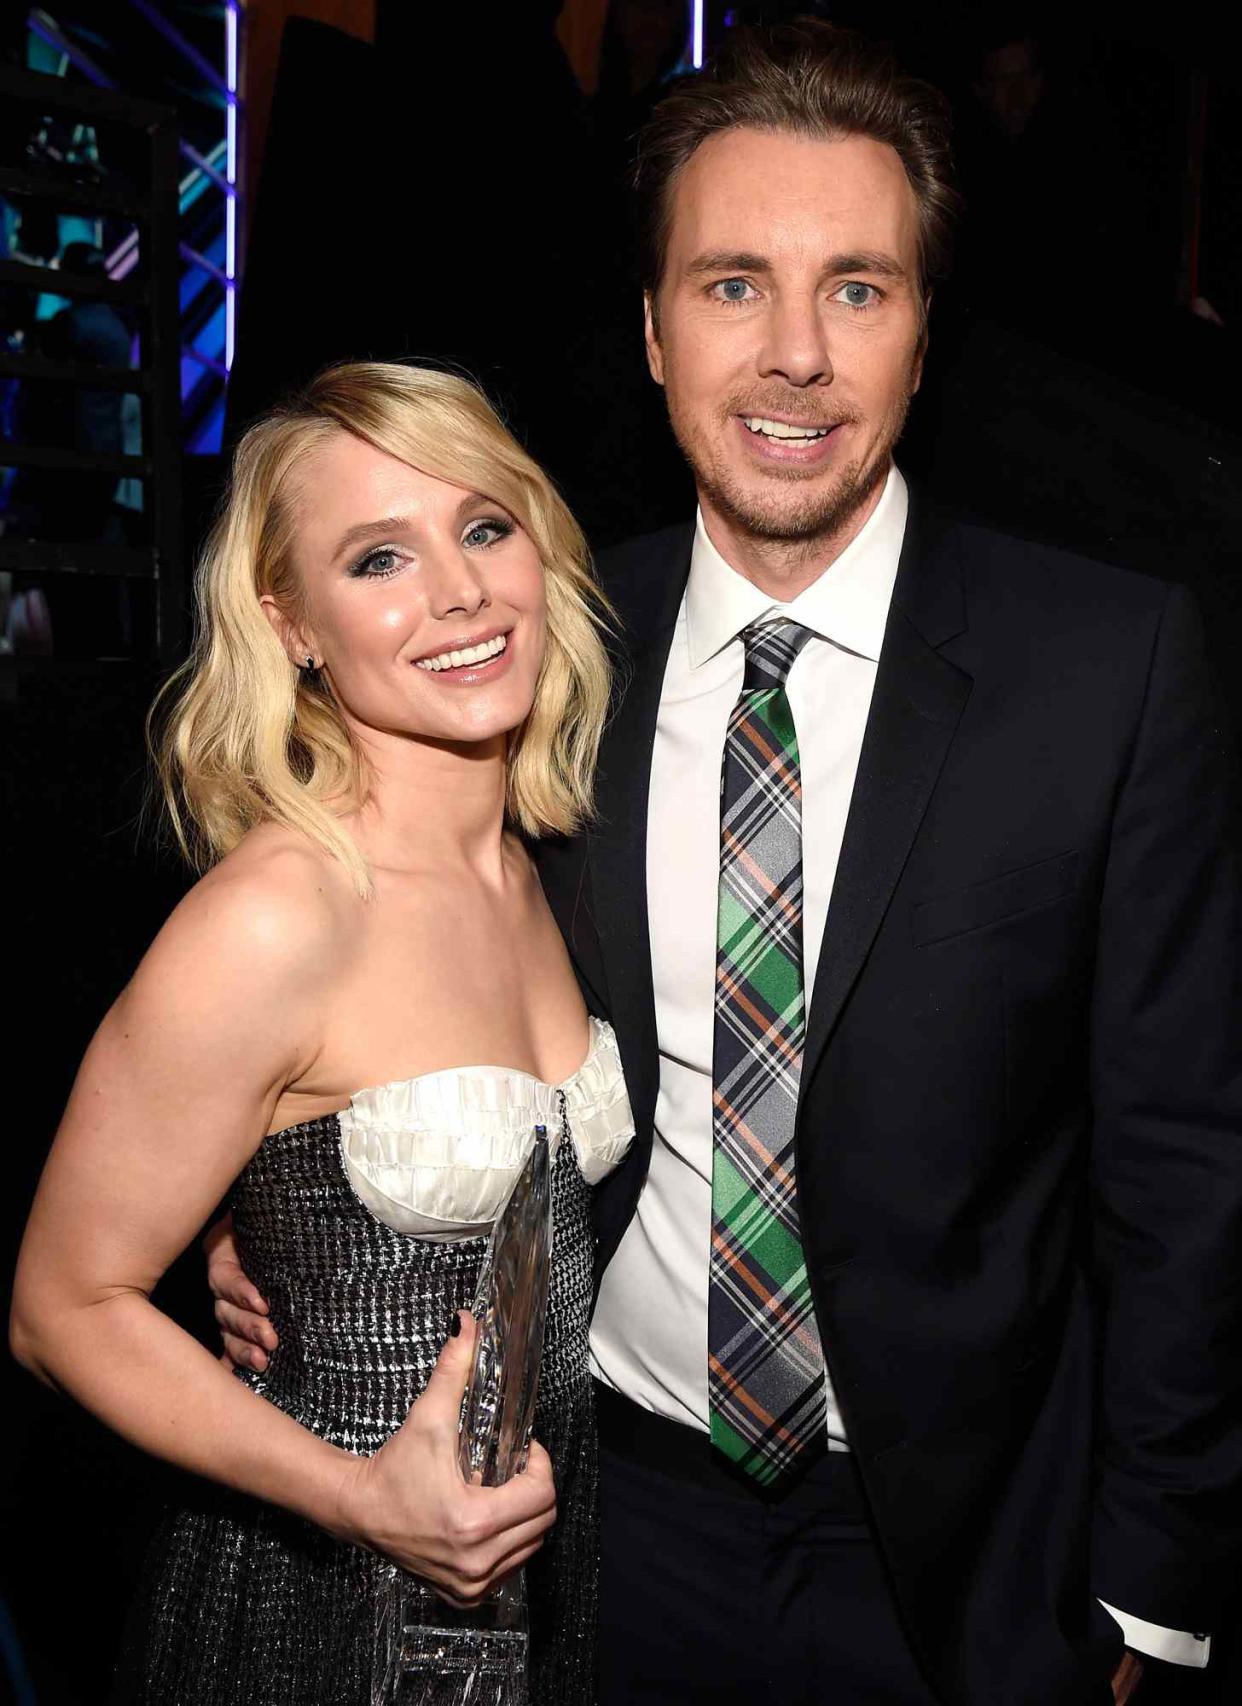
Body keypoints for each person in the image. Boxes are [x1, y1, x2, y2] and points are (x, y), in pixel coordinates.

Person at [211, 22, 1242, 1706]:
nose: (792, 358)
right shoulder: (532, 650)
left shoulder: (1107, 666)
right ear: (649, 326)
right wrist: (264, 1194)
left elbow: (1187, 1160)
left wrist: (1153, 1584)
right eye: (729, 285)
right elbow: (347, 929)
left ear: (921, 335)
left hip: (975, 1550)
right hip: (599, 1517)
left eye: (855, 289)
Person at [10, 361, 633, 1705]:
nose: (458, 591)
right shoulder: (277, 916)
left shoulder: (550, 867)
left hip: (551, 1581)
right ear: (290, 624)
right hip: (317, 1609)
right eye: (376, 558)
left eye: (482, 526)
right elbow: (60, 1308)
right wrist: (357, 1498)